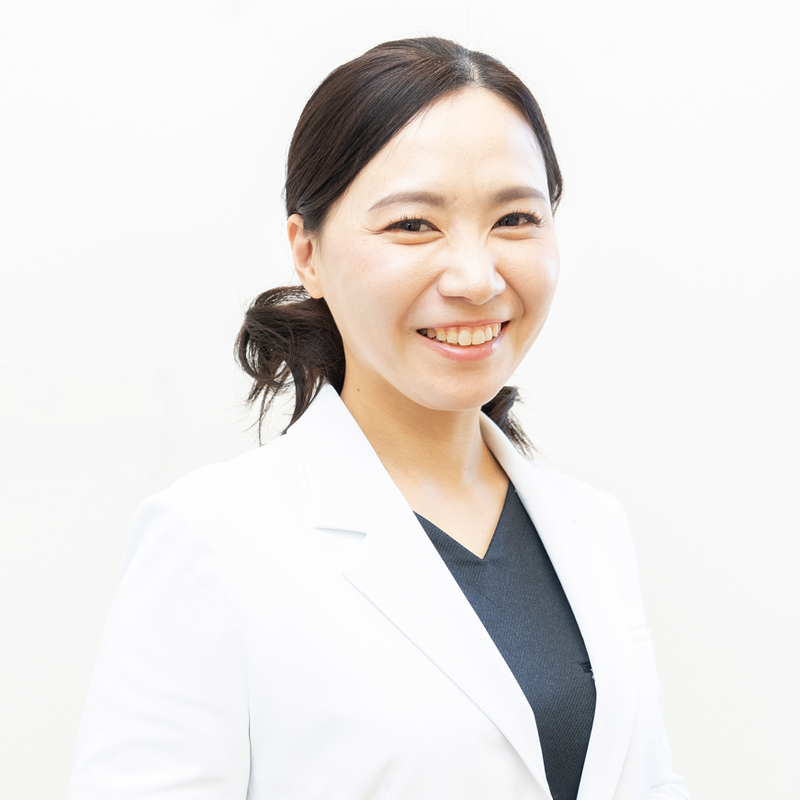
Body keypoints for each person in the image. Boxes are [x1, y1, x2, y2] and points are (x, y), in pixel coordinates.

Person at [66, 37, 688, 800]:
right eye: (413, 225)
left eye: (516, 218)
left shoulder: (592, 527)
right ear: (308, 252)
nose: (476, 278)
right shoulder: (211, 541)